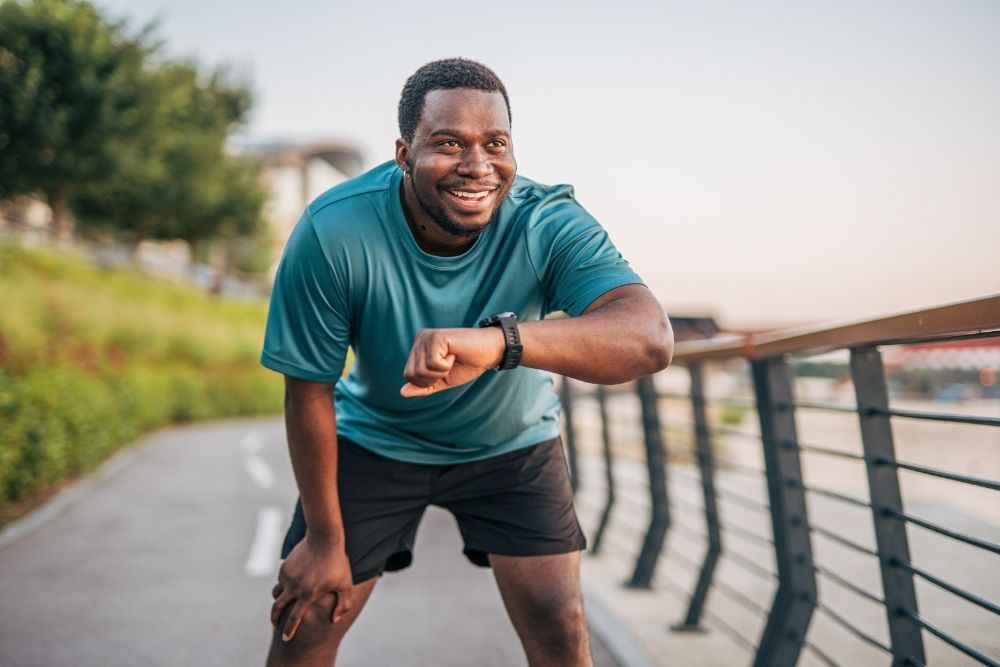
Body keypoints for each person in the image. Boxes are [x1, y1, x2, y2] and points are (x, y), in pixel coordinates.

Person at [260, 57, 673, 667]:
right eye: (448, 143)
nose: (477, 166)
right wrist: (324, 538)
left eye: (495, 143)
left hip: (511, 447)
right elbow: (309, 392)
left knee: (560, 628)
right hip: (376, 440)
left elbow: (649, 339)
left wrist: (498, 342)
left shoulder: (546, 220)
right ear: (404, 154)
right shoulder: (333, 231)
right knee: (310, 618)